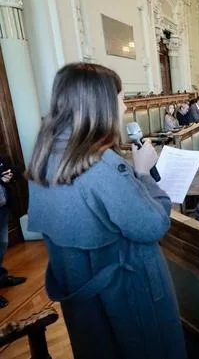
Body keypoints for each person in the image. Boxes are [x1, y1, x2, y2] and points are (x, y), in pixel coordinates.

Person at [27, 63, 187, 359]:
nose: (125, 106)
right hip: (126, 295)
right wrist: (142, 173)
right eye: (120, 98)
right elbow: (152, 224)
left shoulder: (45, 154)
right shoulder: (100, 167)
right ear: (99, 105)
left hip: (82, 295)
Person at [0, 157, 26, 309]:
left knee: (2, 245)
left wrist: (9, 174)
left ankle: (2, 278)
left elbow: (16, 168)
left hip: (2, 208)